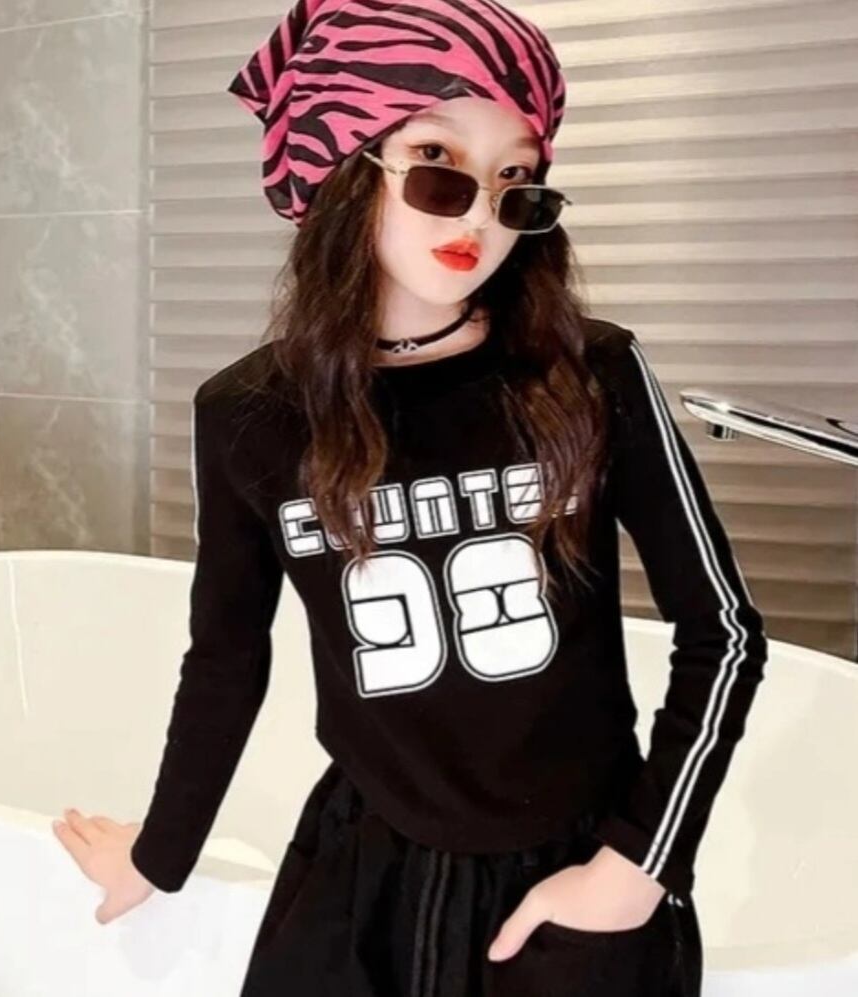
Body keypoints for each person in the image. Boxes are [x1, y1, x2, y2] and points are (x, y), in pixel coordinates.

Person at [52, 2, 768, 995]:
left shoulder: (591, 373)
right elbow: (226, 657)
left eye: (516, 182)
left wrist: (639, 866)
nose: (477, 217)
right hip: (364, 873)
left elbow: (722, 630)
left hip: (575, 868)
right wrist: (158, 853)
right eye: (437, 164)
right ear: (342, 168)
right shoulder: (250, 415)